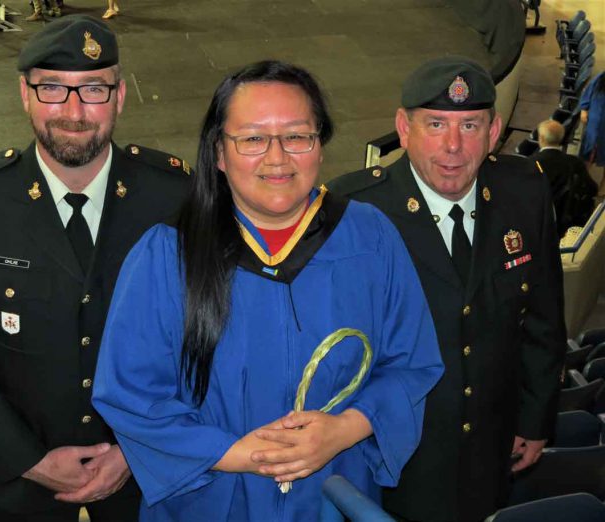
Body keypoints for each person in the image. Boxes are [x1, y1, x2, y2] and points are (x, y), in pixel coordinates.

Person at [92, 60, 444, 521]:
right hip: (211, 496)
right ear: (219, 153)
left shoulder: (369, 238)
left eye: (297, 136)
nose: (277, 157)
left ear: (320, 146)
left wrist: (343, 430)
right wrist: (242, 453)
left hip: (332, 493)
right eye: (253, 138)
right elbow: (130, 394)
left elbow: (411, 363)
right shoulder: (167, 255)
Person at [0, 15, 190, 522]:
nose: (73, 111)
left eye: (92, 88)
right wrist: (31, 460)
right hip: (18, 489)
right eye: (51, 89)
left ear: (120, 96)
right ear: (24, 93)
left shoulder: (172, 196)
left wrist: (133, 450)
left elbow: (201, 339)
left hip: (148, 484)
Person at [329, 57, 566, 522]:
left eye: (470, 125)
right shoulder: (353, 211)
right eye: (436, 124)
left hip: (492, 447)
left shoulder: (525, 193)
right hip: (394, 455)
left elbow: (543, 316)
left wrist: (535, 420)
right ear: (404, 128)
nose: (453, 146)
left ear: (495, 131)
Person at [532, 119, 596, 236]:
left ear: (540, 138)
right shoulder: (575, 162)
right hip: (567, 226)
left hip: (538, 225)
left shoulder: (531, 163)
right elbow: (592, 188)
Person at [579, 72, 605, 196]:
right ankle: (582, 182)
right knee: (587, 154)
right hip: (595, 125)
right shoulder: (602, 77)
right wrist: (584, 109)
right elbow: (589, 91)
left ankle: (603, 188)